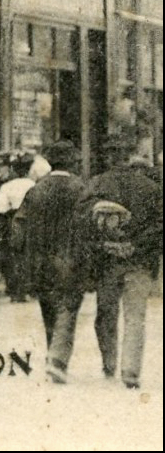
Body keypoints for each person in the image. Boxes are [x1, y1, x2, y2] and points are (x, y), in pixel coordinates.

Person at [83, 151, 163, 390]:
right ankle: (130, 370)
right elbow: (160, 224)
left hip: (107, 261)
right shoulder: (152, 187)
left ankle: (109, 364)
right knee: (135, 317)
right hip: (139, 261)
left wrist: (103, 243)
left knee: (106, 313)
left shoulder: (97, 183)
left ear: (109, 160)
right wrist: (135, 245)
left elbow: (82, 221)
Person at [11, 148, 87, 384]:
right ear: (73, 162)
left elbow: (18, 227)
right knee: (68, 309)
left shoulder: (36, 190)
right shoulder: (81, 189)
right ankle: (57, 360)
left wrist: (20, 255)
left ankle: (52, 354)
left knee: (49, 309)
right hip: (71, 259)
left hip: (40, 261)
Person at [0, 153, 37, 301]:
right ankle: (32, 288)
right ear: (29, 169)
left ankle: (15, 290)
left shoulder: (7, 186)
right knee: (32, 254)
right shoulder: (35, 186)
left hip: (12, 221)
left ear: (14, 170)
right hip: (32, 222)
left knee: (13, 255)